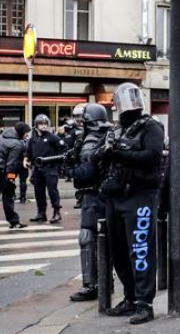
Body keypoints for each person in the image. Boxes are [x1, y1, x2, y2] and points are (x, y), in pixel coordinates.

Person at [94, 83, 164, 324]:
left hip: (140, 195)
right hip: (115, 196)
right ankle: (131, 298)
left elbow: (152, 157)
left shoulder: (151, 126)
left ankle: (145, 303)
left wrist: (120, 153)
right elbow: (99, 157)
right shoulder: (116, 129)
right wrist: (102, 154)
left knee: (141, 250)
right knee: (119, 252)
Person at [64, 104, 111, 301]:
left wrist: (68, 170)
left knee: (87, 236)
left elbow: (86, 173)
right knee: (104, 239)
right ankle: (105, 283)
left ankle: (92, 285)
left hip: (93, 195)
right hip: (106, 194)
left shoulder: (91, 140)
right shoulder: (107, 135)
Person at [24, 114, 67, 223]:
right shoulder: (33, 138)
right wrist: (26, 159)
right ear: (36, 125)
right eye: (41, 124)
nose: (44, 126)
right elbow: (28, 151)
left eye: (45, 124)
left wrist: (57, 160)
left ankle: (57, 213)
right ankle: (41, 213)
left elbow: (64, 149)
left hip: (50, 168)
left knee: (52, 191)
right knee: (38, 192)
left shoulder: (52, 137)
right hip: (37, 169)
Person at [0, 122, 30, 229]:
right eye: (26, 133)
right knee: (9, 194)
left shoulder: (2, 136)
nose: (27, 135)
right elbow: (11, 165)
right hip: (1, 171)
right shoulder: (17, 144)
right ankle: (14, 221)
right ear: (20, 133)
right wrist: (11, 179)